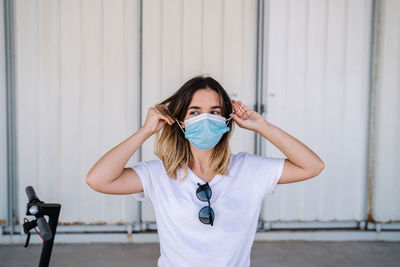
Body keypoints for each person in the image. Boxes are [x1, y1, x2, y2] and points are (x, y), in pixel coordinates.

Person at [86, 75, 325, 267]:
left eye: (214, 112)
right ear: (180, 121)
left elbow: (312, 166)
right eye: (194, 112)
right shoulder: (159, 173)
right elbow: (98, 180)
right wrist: (145, 131)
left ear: (226, 119)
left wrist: (263, 126)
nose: (205, 119)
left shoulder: (250, 169)